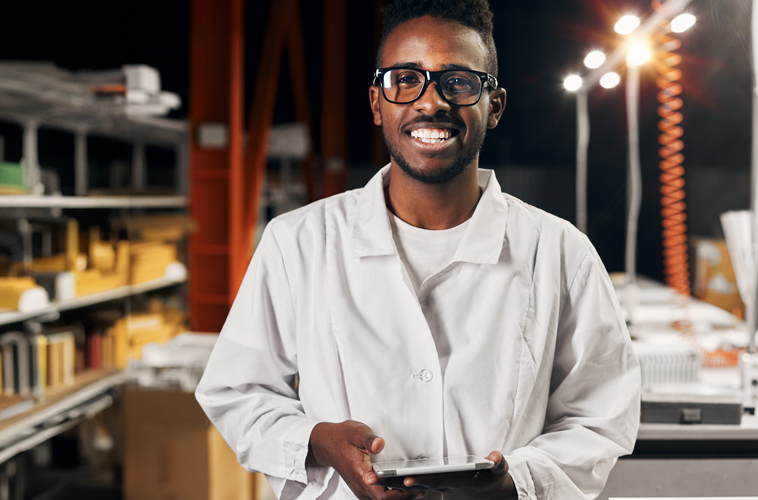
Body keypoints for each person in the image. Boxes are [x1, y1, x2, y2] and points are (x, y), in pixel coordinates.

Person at [195, 0, 640, 498]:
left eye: (459, 81)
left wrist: (519, 482)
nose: (431, 102)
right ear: (376, 101)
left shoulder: (560, 253)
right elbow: (237, 391)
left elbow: (600, 414)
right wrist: (318, 441)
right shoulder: (298, 242)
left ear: (494, 106)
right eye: (405, 79)